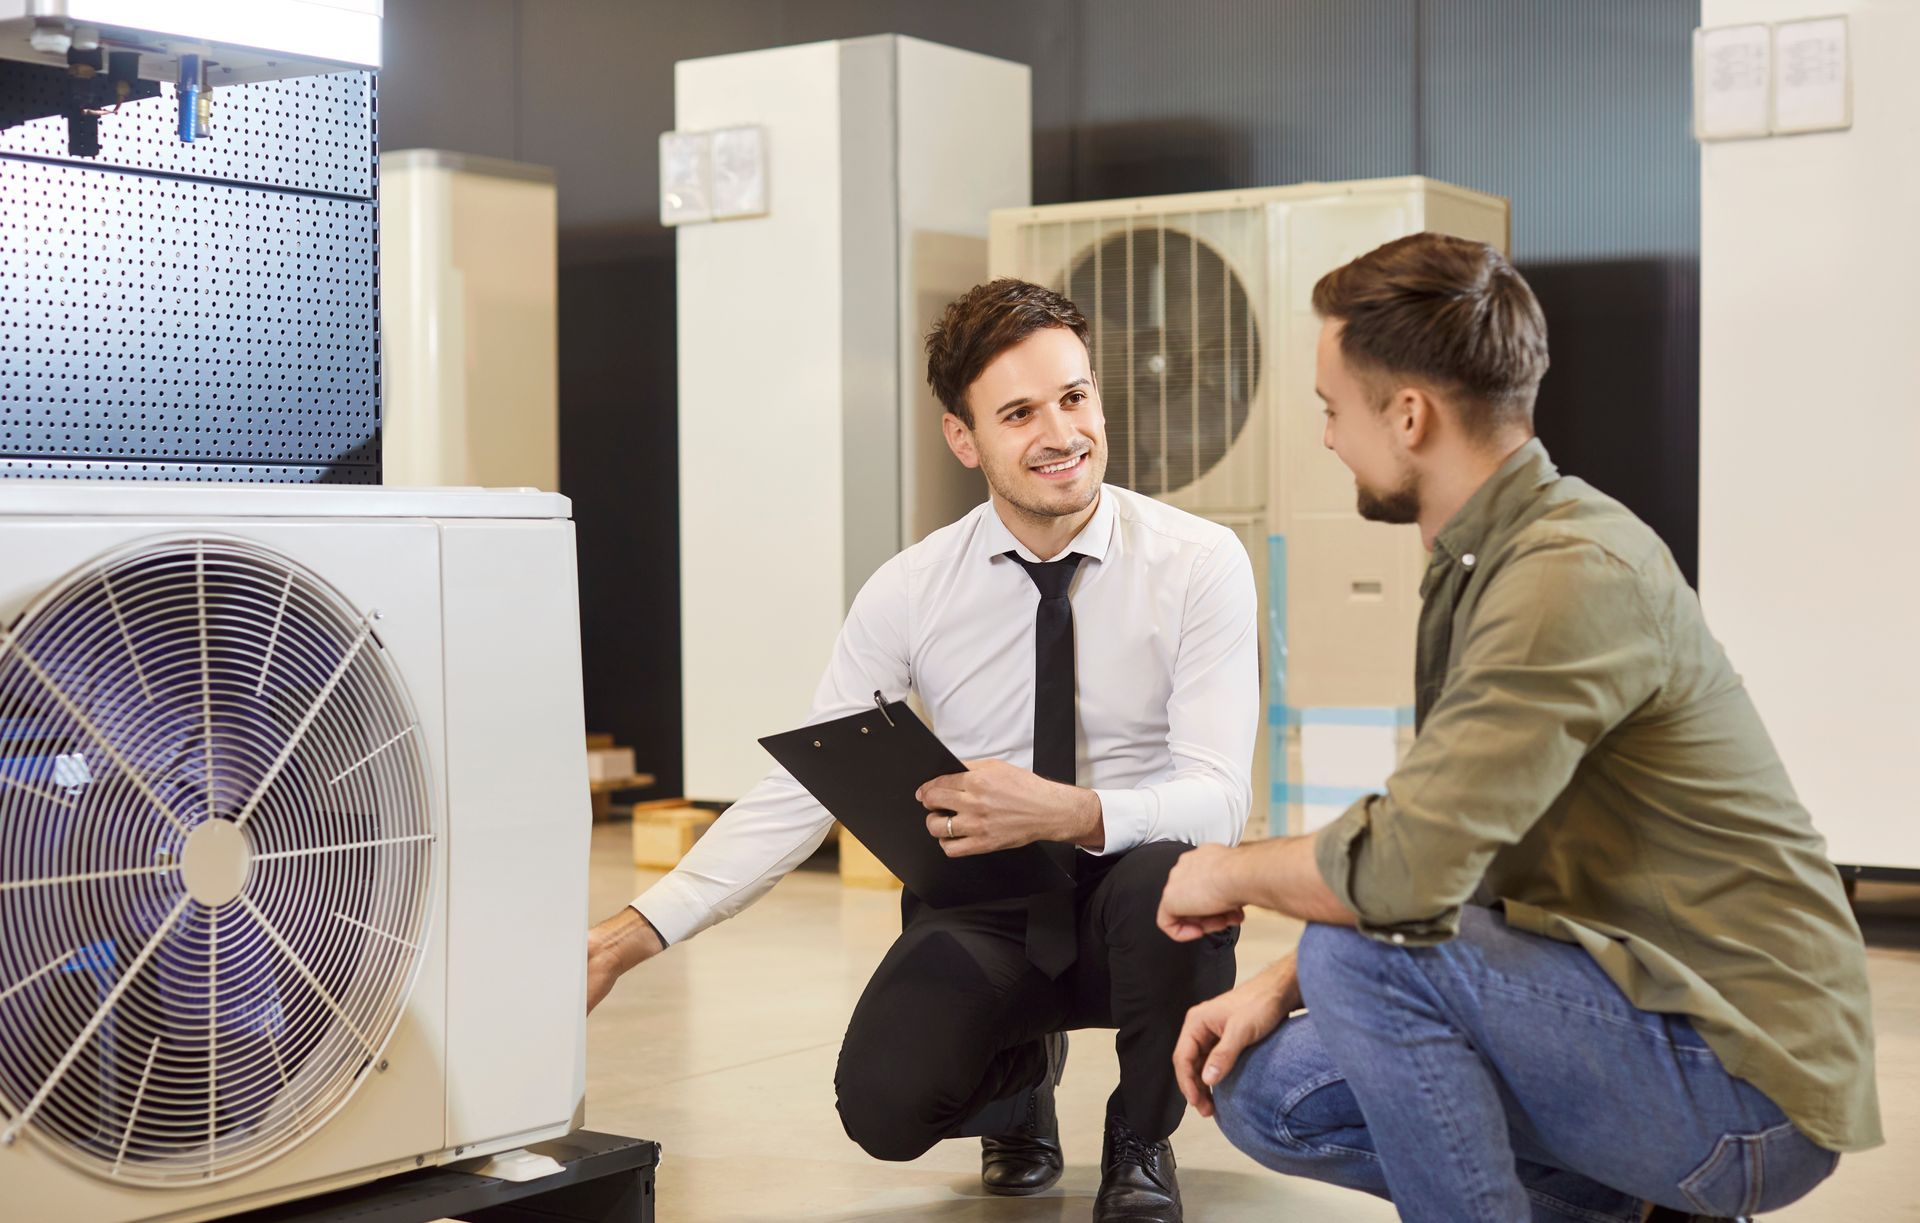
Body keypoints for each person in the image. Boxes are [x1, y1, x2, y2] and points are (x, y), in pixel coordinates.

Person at [1155, 232, 1881, 1223]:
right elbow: (1459, 854)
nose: (1327, 438)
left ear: (1407, 414)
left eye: (1332, 409)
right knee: (1273, 1090)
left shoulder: (1564, 576)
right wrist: (1274, 982)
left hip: (1747, 1080)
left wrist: (1222, 870)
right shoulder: (1492, 561)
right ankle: (1626, 1208)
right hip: (1642, 1003)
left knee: (1358, 956)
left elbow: (1404, 870)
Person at [587, 279, 1259, 1222]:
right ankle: (1018, 1079)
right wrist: (627, 937)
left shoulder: (1199, 562)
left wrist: (1066, 809)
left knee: (1174, 881)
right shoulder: (911, 589)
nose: (1062, 433)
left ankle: (1138, 1136)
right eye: (1019, 413)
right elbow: (800, 792)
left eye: (1075, 397)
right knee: (883, 1108)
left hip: (1134, 890)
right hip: (993, 899)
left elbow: (1221, 798)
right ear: (963, 437)